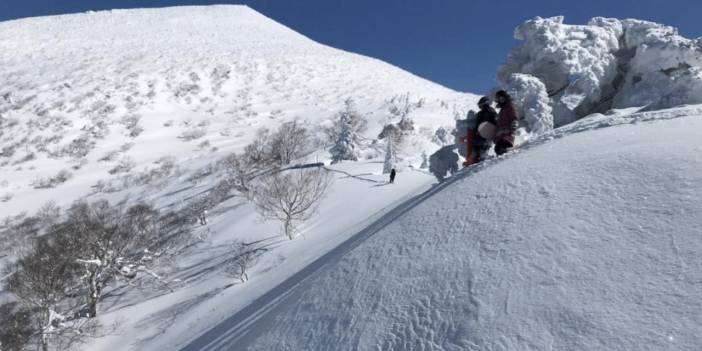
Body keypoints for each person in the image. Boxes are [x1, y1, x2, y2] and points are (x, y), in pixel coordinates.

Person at [494, 90, 519, 156]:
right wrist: (496, 136)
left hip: (507, 136)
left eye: (501, 98)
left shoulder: (509, 106)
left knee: (501, 149)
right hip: (501, 136)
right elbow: (500, 124)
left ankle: (511, 152)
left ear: (505, 97)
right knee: (497, 149)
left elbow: (514, 118)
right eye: (498, 98)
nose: (500, 100)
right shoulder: (502, 109)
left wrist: (513, 126)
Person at [472, 96, 497, 163]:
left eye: (481, 105)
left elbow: (496, 121)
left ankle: (484, 155)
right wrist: (476, 131)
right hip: (480, 132)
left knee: (484, 143)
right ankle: (477, 157)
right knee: (475, 143)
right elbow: (478, 123)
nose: (480, 106)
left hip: (488, 131)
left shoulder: (491, 111)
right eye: (479, 105)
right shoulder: (480, 114)